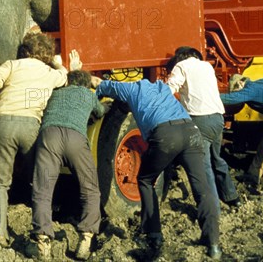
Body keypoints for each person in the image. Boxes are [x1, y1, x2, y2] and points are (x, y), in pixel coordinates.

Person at [93, 77, 222, 259]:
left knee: (145, 180)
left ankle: (154, 236)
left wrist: (95, 92)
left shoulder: (131, 89)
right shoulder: (162, 87)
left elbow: (106, 86)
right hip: (191, 131)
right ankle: (213, 244)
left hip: (166, 135)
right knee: (202, 187)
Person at [0, 33, 80, 247]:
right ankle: (41, 229)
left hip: (3, 124)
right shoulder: (49, 73)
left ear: (25, 50)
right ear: (46, 54)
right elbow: (65, 76)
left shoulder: (13, 65)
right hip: (31, 127)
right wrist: (60, 64)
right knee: (39, 178)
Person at [28, 70, 109, 260]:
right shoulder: (87, 95)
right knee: (90, 188)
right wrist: (107, 106)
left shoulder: (55, 94)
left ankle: (43, 244)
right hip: (76, 139)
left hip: (49, 137)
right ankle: (86, 239)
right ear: (86, 84)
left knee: (43, 190)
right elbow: (99, 111)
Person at [166, 46, 240, 209]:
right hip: (218, 118)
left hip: (200, 120)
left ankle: (211, 208)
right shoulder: (206, 66)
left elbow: (170, 89)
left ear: (180, 57)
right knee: (217, 159)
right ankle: (232, 197)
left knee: (202, 166)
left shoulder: (182, 66)